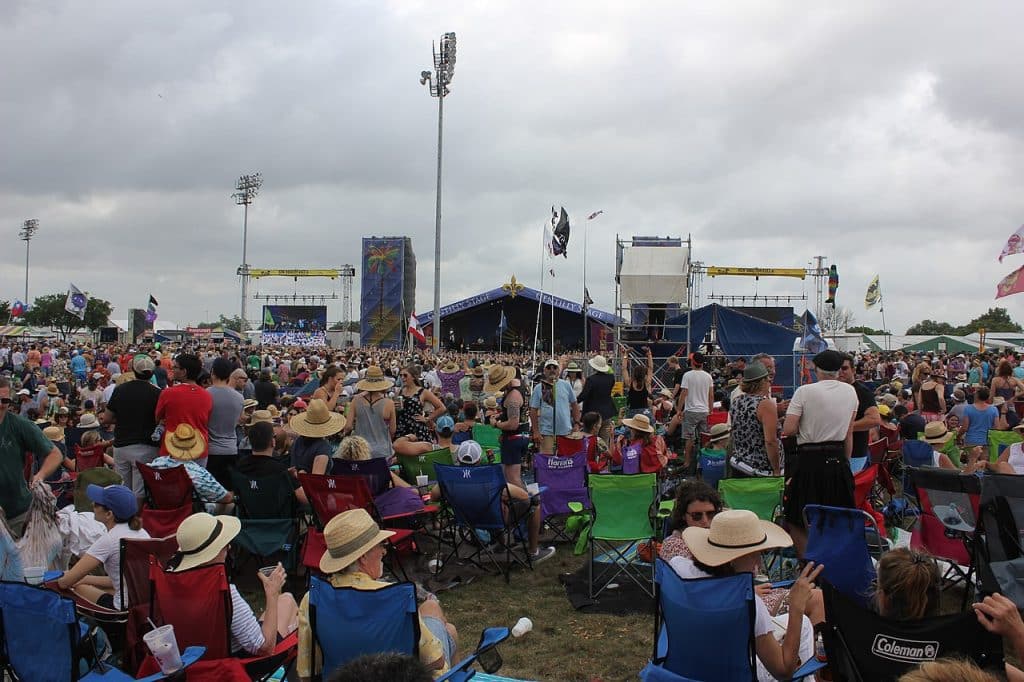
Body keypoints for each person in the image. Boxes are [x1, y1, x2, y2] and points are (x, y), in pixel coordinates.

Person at [297, 508, 458, 681]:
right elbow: (436, 660)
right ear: (363, 557)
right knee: (447, 628)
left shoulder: (313, 600)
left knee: (431, 608)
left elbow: (307, 672)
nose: (384, 551)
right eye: (380, 545)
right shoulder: (395, 599)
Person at [669, 509, 822, 681]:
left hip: (691, 664)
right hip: (732, 672)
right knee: (801, 625)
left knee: (806, 625)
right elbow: (783, 671)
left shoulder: (679, 570)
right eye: (755, 554)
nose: (758, 563)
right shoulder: (748, 603)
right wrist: (796, 607)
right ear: (734, 559)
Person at [167, 512, 298, 657]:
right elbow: (264, 648)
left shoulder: (170, 586)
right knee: (292, 608)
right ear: (211, 555)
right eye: (223, 545)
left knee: (286, 600)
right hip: (238, 662)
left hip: (189, 658)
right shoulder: (223, 592)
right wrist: (272, 593)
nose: (228, 548)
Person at [782, 349, 858, 556]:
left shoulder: (805, 392)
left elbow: (788, 429)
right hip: (838, 458)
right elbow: (848, 433)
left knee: (797, 517)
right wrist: (847, 464)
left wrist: (805, 427)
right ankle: (833, 564)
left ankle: (809, 566)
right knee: (837, 517)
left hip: (810, 459)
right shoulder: (851, 392)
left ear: (816, 369)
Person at [430, 441, 555, 564]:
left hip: (465, 520)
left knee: (495, 503)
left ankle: (501, 546)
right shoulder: (489, 477)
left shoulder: (449, 478)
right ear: (479, 459)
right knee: (533, 505)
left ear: (458, 458)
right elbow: (523, 496)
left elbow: (434, 497)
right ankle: (534, 552)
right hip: (494, 519)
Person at [55, 484, 149, 609]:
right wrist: (85, 578)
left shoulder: (108, 540)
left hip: (120, 613)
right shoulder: (141, 533)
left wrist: (61, 578)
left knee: (75, 588)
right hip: (143, 606)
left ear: (109, 514)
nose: (92, 504)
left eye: (97, 503)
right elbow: (119, 580)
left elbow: (65, 583)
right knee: (85, 582)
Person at [0, 377, 64, 538]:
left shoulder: (19, 425)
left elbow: (55, 454)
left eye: (5, 400)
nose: (1, 404)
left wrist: (40, 476)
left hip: (16, 511)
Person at [150, 424, 234, 509]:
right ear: (194, 447)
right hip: (189, 513)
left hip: (160, 509)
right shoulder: (196, 472)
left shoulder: (156, 464)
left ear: (172, 443)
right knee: (230, 505)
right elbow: (225, 498)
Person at [155, 353, 213, 466]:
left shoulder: (168, 393)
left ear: (184, 371)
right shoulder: (207, 395)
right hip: (199, 449)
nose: (172, 369)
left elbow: (157, 418)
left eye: (175, 367)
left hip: (173, 449)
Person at [235, 421, 308, 507]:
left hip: (247, 518)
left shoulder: (239, 467)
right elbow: (305, 499)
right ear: (273, 442)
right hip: (278, 519)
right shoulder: (280, 470)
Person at [729, 362, 781, 477]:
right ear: (762, 382)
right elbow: (770, 441)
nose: (770, 382)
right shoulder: (765, 405)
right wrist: (776, 470)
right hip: (759, 469)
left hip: (739, 463)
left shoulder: (737, 401)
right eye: (768, 379)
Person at [487, 364, 530, 490]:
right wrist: (501, 416)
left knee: (512, 477)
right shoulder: (522, 385)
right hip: (521, 434)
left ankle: (525, 502)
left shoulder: (513, 397)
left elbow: (513, 424)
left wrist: (496, 424)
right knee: (508, 473)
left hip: (514, 438)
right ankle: (520, 501)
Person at [206, 357, 245, 488]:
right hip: (231, 449)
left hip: (210, 450)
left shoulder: (206, 394)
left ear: (212, 372)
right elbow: (240, 419)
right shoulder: (239, 397)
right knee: (228, 490)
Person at [529, 358, 580, 456]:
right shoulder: (539, 388)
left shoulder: (566, 385)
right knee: (547, 460)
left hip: (565, 430)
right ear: (544, 371)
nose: (552, 370)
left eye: (554, 367)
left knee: (565, 459)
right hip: (547, 431)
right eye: (549, 368)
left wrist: (577, 424)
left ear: (558, 370)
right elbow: (533, 410)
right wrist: (536, 431)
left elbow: (574, 404)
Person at [347, 366, 396, 460]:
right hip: (383, 450)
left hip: (361, 450)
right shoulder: (389, 403)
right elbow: (393, 430)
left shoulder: (356, 400)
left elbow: (348, 426)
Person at [839, 354, 882, 458]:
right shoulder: (835, 390)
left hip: (855, 454)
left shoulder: (862, 392)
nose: (840, 372)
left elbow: (874, 419)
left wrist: (843, 428)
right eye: (837, 369)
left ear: (853, 370)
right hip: (837, 455)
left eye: (844, 368)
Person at [678, 352, 714, 473]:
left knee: (689, 438)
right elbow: (711, 395)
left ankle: (687, 462)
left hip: (690, 411)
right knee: (705, 438)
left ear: (692, 362)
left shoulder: (687, 375)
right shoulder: (708, 376)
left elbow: (684, 393)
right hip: (704, 411)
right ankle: (703, 462)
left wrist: (679, 409)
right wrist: (711, 410)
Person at [289, 399, 345, 474]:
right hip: (309, 485)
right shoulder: (323, 447)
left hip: (294, 484)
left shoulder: (298, 441)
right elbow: (316, 479)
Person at [394, 365, 446, 443]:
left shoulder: (423, 392)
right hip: (401, 427)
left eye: (405, 375)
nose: (402, 378)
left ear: (413, 377)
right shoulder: (399, 392)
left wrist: (427, 418)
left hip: (417, 428)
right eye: (400, 375)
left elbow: (441, 407)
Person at [578, 354, 616, 445]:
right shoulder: (611, 378)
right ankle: (603, 458)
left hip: (593, 415)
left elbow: (584, 395)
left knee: (591, 440)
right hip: (607, 412)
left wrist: (574, 402)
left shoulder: (591, 380)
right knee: (604, 441)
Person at [327, 653, 434, 682]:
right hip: (402, 672)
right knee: (431, 607)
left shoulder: (316, 601)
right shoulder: (404, 598)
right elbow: (438, 660)